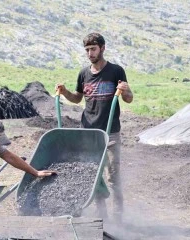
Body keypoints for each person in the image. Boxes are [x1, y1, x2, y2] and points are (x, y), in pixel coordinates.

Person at [55, 32, 133, 221]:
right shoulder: (84, 73)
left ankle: (119, 216)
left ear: (102, 48)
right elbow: (78, 98)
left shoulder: (116, 71)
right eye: (87, 50)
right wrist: (65, 93)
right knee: (93, 174)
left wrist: (126, 90)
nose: (90, 53)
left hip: (110, 131)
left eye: (93, 49)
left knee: (113, 175)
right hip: (89, 132)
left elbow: (128, 99)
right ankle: (101, 215)